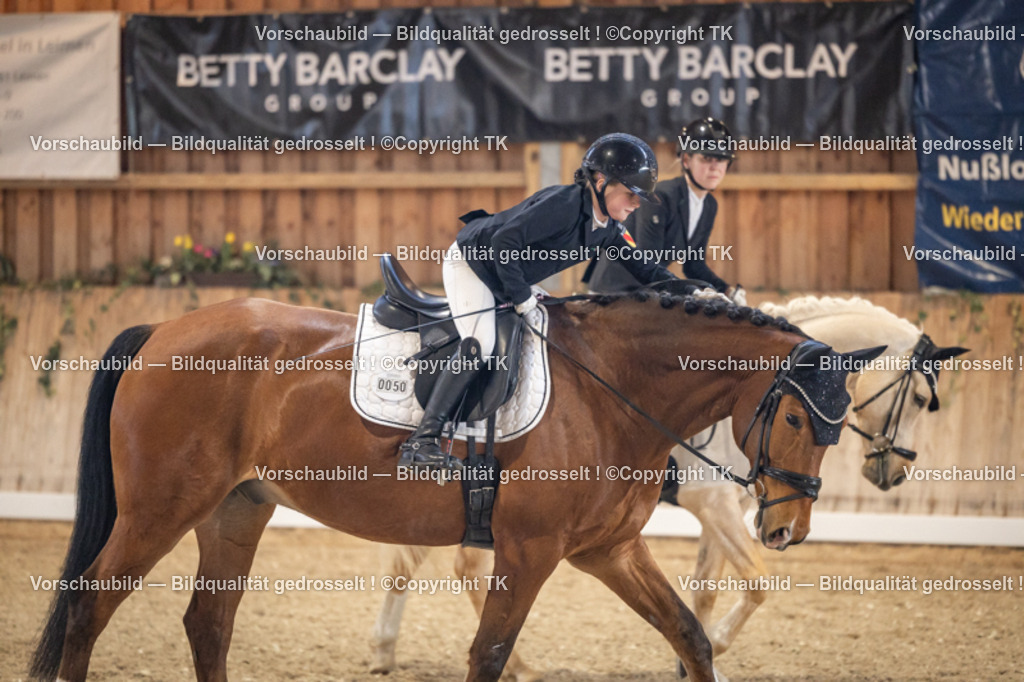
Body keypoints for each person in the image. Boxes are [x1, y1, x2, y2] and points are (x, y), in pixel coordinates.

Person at [399, 133, 677, 471]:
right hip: (473, 262)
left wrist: (691, 291)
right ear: (601, 181)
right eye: (631, 194)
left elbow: (645, 269)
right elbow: (502, 244)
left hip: (506, 270)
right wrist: (520, 298)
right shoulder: (562, 205)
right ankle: (423, 440)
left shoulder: (608, 227)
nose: (636, 204)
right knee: (480, 344)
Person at [584, 117, 745, 304]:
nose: (715, 167)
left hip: (648, 290)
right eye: (706, 158)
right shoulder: (662, 197)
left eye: (721, 159)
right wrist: (691, 292)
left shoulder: (709, 205)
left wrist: (727, 291)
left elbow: (694, 264)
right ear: (686, 160)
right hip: (613, 291)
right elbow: (649, 260)